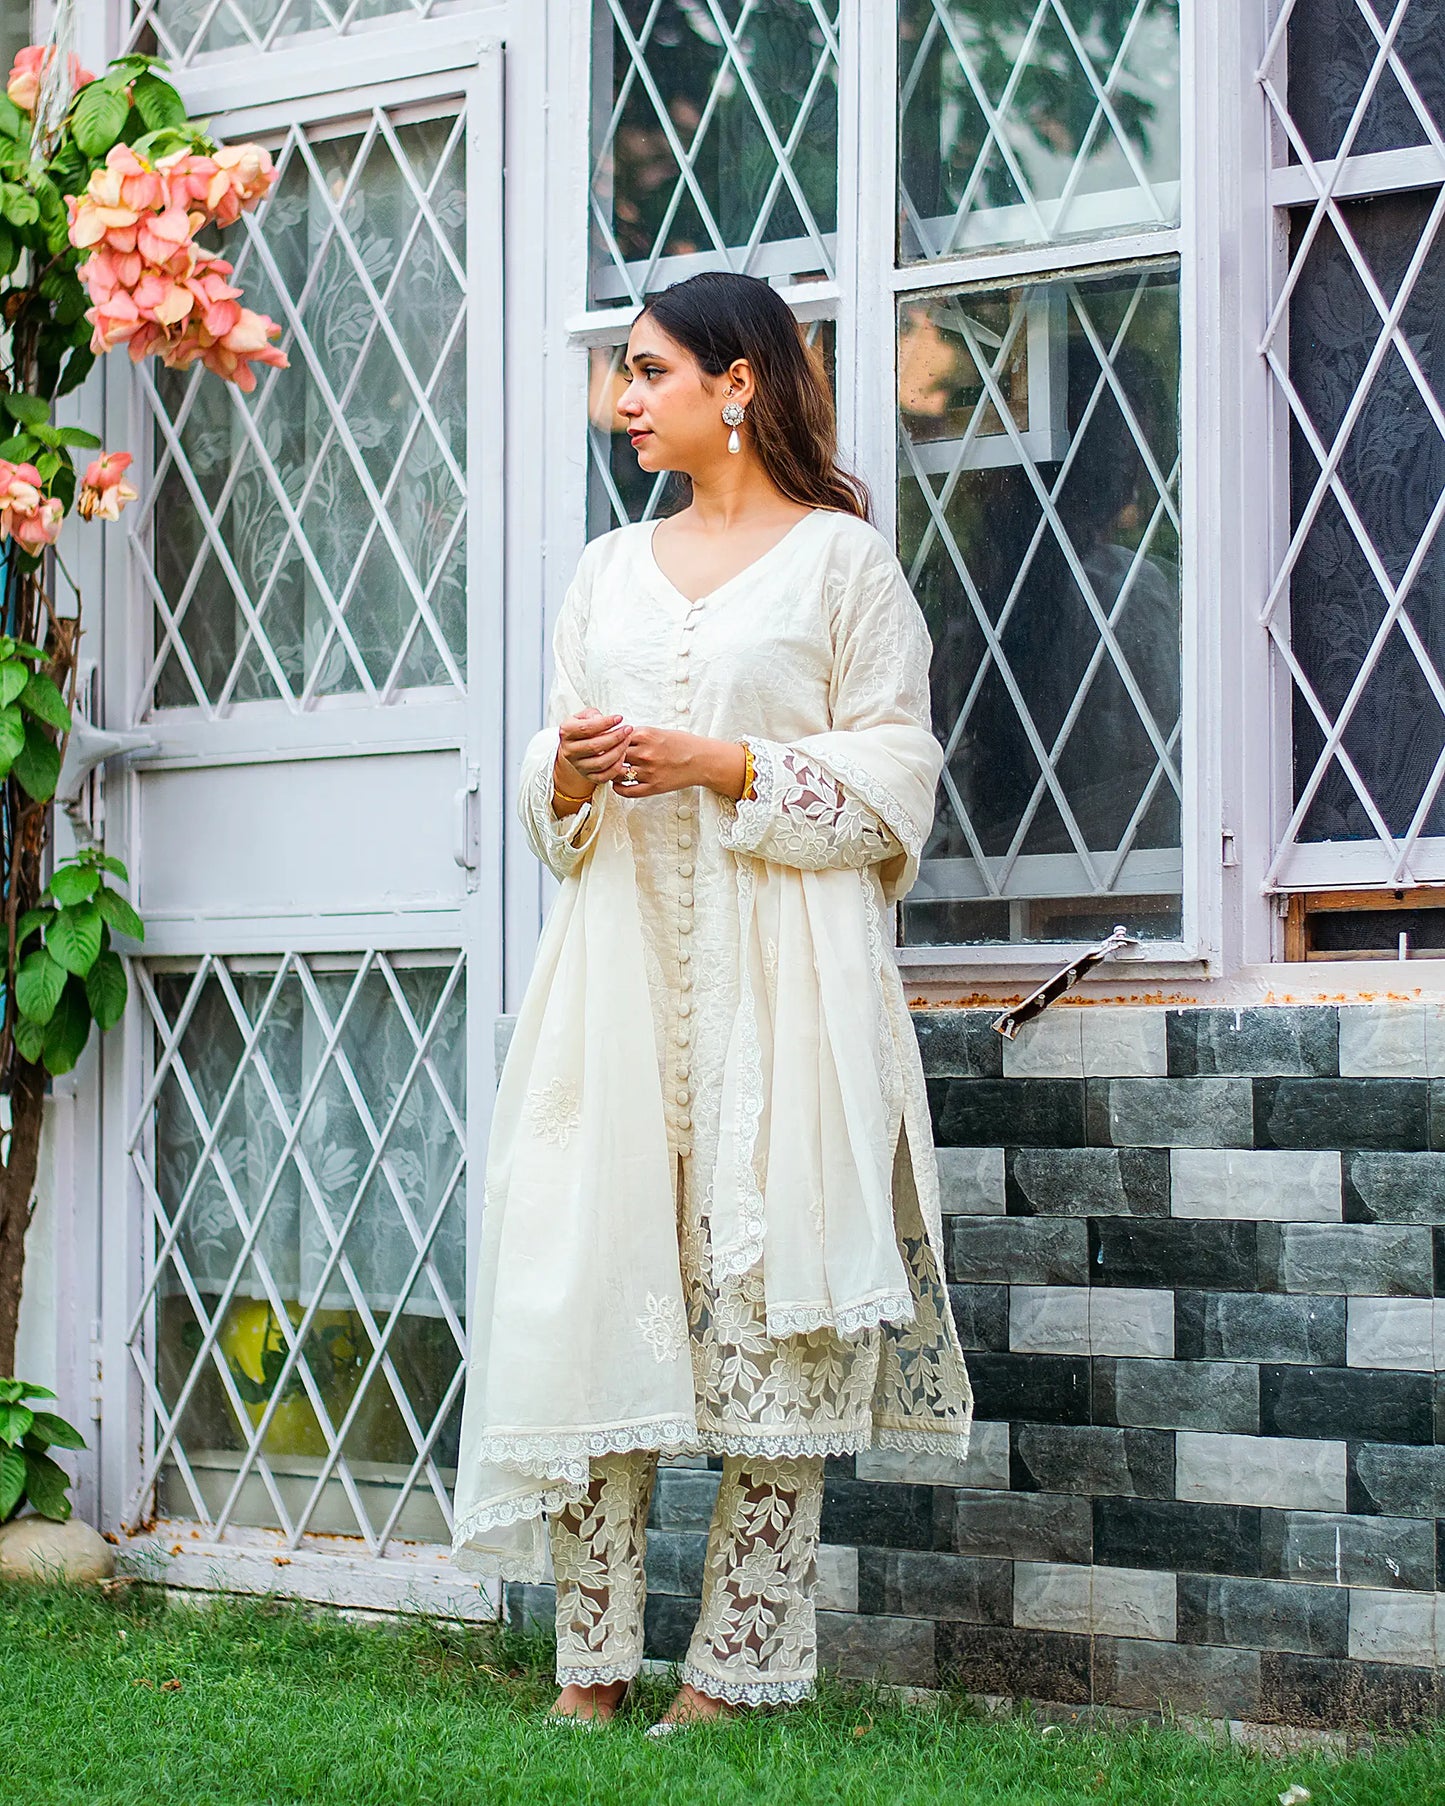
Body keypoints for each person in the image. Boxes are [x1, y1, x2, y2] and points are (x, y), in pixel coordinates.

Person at [450, 270, 972, 1730]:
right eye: (623, 371)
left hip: (781, 990)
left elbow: (896, 778)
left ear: (737, 384)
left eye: (648, 370)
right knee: (588, 1284)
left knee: (768, 1311)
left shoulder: (840, 565)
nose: (623, 398)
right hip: (616, 983)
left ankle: (733, 1674)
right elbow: (549, 791)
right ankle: (590, 1666)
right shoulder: (606, 573)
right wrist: (571, 767)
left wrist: (724, 763)